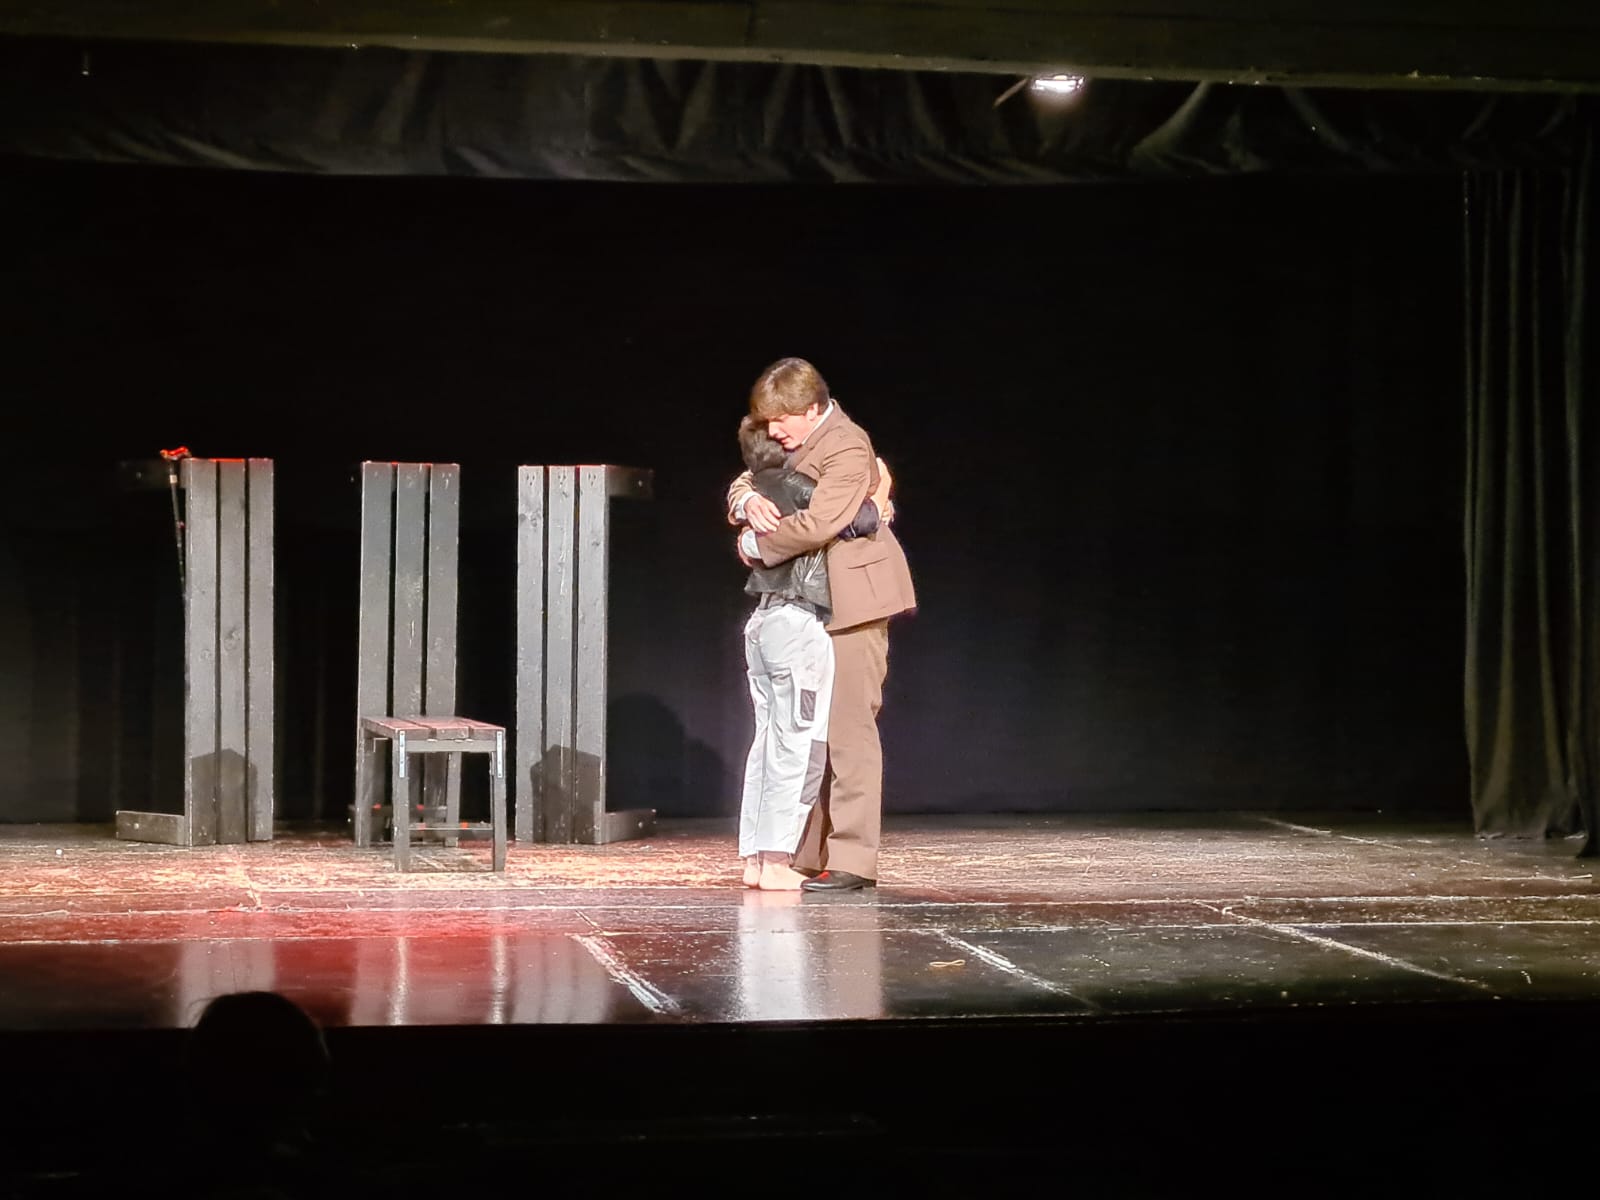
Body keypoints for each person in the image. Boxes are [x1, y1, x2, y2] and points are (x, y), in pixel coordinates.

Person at [728, 358, 917, 893]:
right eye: (767, 422)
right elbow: (750, 476)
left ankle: (853, 857)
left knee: (849, 730)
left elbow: (819, 523)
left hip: (854, 601)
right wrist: (746, 499)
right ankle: (806, 853)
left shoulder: (847, 445)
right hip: (811, 602)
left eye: (782, 420)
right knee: (807, 731)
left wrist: (755, 544)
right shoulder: (794, 440)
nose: (773, 432)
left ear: (812, 409)